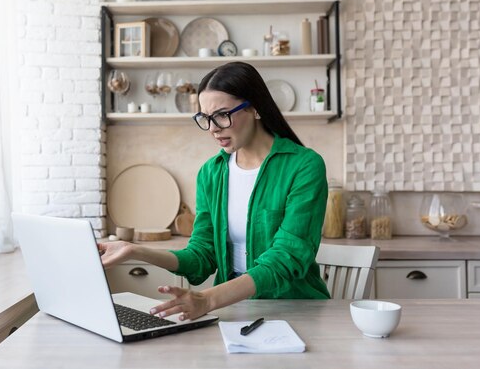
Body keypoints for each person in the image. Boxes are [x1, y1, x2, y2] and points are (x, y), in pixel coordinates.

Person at [99, 61, 330, 322]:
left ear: (255, 108)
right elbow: (200, 257)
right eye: (205, 118)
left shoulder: (304, 165)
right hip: (234, 311)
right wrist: (135, 250)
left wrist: (207, 299)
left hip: (295, 310)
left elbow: (287, 258)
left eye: (222, 115)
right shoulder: (211, 173)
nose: (212, 128)